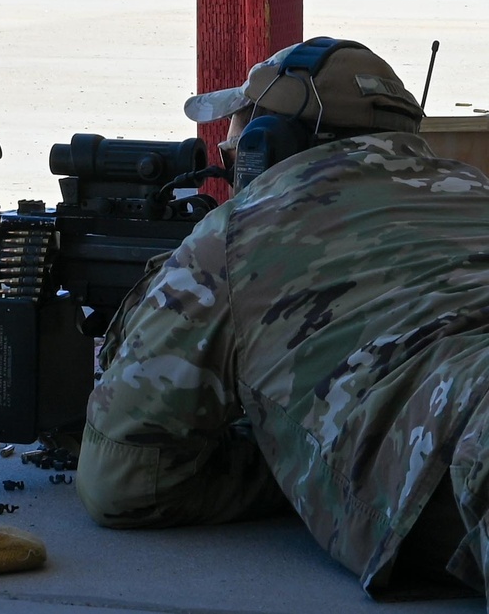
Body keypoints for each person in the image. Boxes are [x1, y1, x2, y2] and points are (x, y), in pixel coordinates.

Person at [75, 36, 489, 601]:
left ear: (268, 147)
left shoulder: (239, 231)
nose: (226, 147)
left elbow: (123, 481)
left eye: (239, 132)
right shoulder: (475, 190)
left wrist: (298, 459)